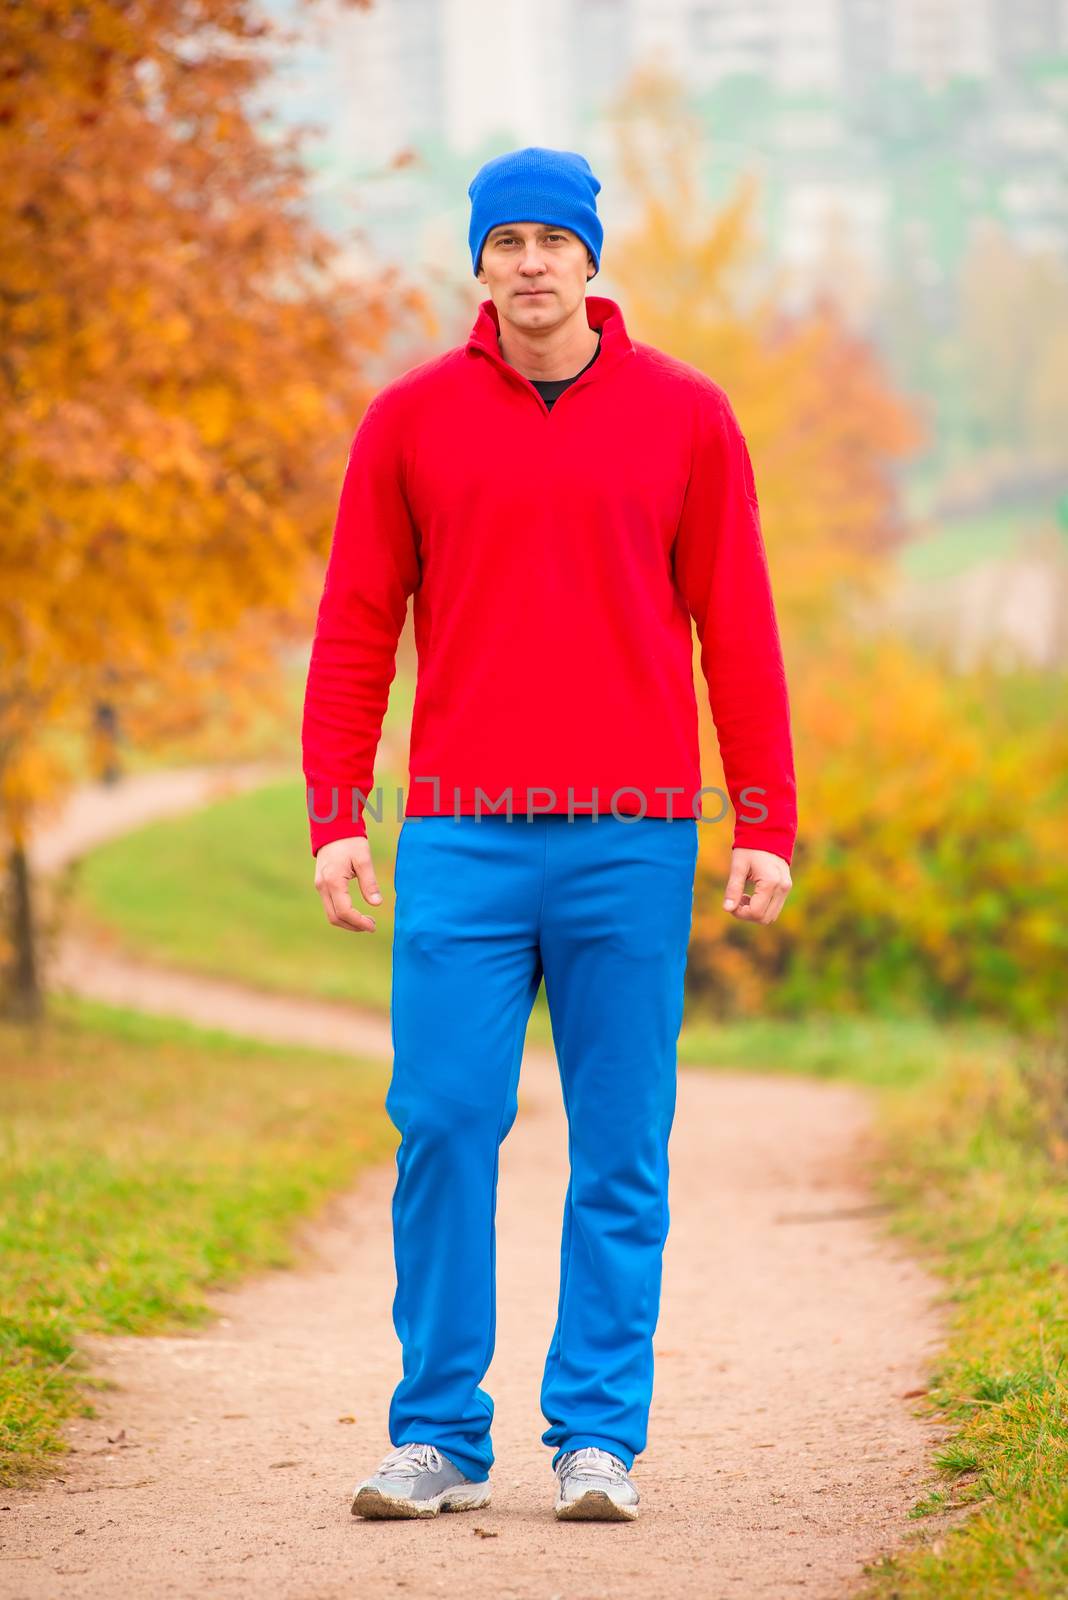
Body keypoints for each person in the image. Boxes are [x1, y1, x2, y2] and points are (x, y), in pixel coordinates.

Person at [301, 145, 796, 1523]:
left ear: (592, 257)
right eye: (504, 239)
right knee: (445, 1122)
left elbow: (738, 630)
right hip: (462, 835)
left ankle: (596, 1437)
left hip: (633, 839)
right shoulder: (406, 421)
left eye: (552, 240)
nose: (530, 262)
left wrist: (764, 814)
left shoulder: (689, 417)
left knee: (621, 1144)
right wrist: (339, 812)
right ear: (479, 260)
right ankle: (441, 1436)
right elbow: (355, 630)